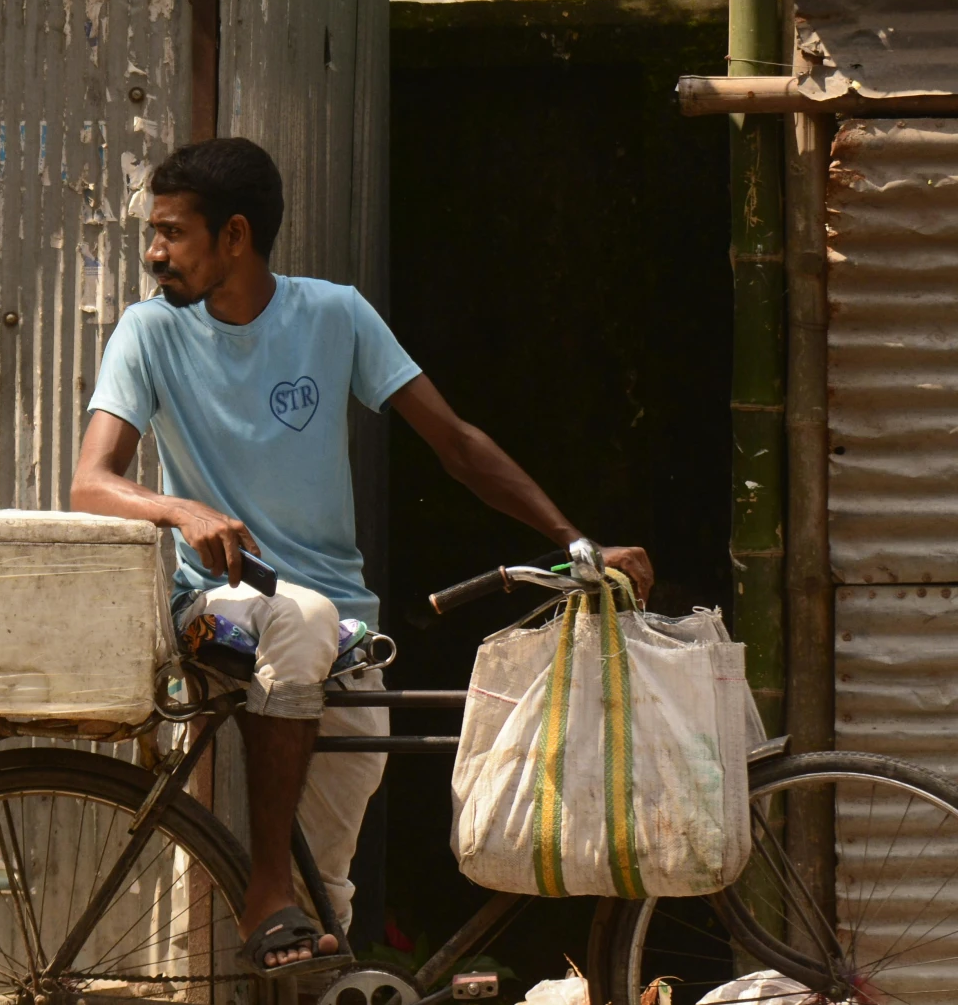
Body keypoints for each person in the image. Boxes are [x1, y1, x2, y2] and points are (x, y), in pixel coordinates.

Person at [71, 137, 653, 980]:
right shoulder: (150, 332)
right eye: (153, 233)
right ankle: (265, 888)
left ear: (234, 236)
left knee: (329, 903)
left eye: (172, 233)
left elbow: (454, 443)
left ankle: (294, 927)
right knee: (297, 623)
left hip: (345, 632)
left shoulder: (333, 315)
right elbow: (93, 481)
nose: (154, 253)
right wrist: (179, 507)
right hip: (217, 616)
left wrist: (574, 540)